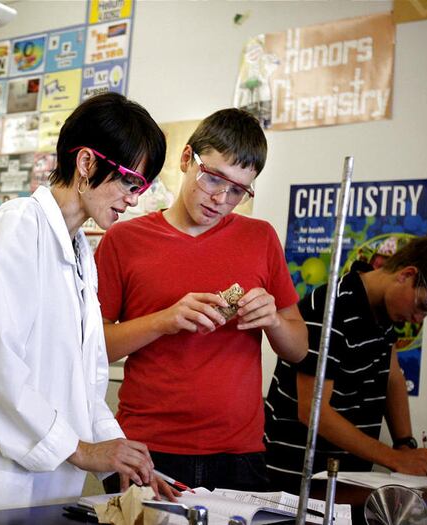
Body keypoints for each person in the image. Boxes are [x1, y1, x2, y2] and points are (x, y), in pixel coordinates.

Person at [0, 93, 175, 521]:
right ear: (87, 163)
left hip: (44, 481)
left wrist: (126, 460)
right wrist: (82, 450)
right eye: (130, 181)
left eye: (141, 187)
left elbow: (86, 381)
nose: (133, 199)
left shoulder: (79, 253)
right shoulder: (18, 225)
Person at [95, 108, 308, 492]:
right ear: (185, 159)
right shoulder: (123, 241)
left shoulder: (260, 238)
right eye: (213, 178)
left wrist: (273, 321)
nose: (221, 199)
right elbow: (94, 348)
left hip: (238, 453)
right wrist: (165, 320)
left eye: (238, 191)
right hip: (144, 448)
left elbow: (298, 350)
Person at [264, 236, 427, 491]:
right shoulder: (331, 309)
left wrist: (404, 443)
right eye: (422, 305)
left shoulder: (384, 313)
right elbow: (313, 411)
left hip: (346, 481)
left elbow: (393, 376)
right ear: (406, 274)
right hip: (298, 481)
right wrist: (395, 459)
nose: (418, 319)